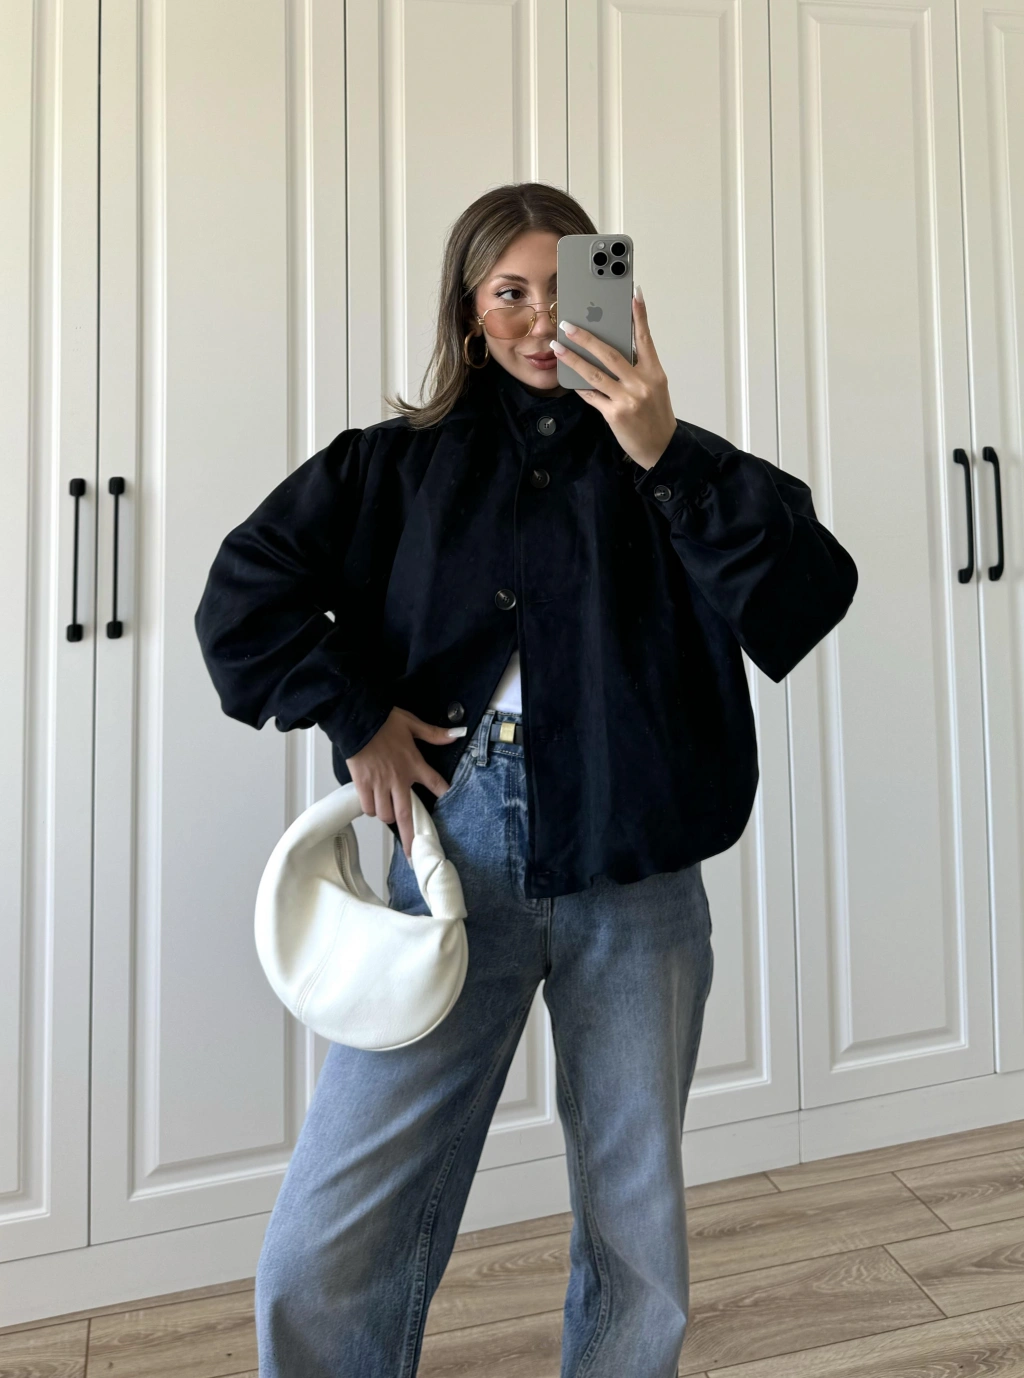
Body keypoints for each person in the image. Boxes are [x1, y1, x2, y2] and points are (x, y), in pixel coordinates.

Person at [194, 182, 857, 1378]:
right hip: (459, 855)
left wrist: (661, 448)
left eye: (566, 288)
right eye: (511, 293)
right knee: (325, 1242)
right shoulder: (394, 466)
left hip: (636, 864)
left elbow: (808, 594)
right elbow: (243, 595)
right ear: (469, 309)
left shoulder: (669, 464)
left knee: (635, 1226)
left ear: (615, 294)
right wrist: (357, 716)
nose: (543, 318)